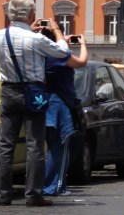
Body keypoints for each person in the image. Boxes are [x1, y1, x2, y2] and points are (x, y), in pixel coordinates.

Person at [0, 0, 70, 207]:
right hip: (34, 92)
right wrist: (57, 31)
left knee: (5, 145)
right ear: (31, 15)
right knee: (35, 144)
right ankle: (33, 195)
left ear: (9, 14)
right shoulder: (37, 39)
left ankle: (3, 195)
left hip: (8, 91)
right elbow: (63, 52)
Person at [41, 29, 88, 197]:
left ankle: (46, 185)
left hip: (44, 103)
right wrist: (82, 44)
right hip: (60, 105)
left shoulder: (40, 55)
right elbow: (82, 61)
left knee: (47, 146)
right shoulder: (57, 57)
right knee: (60, 146)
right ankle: (55, 186)